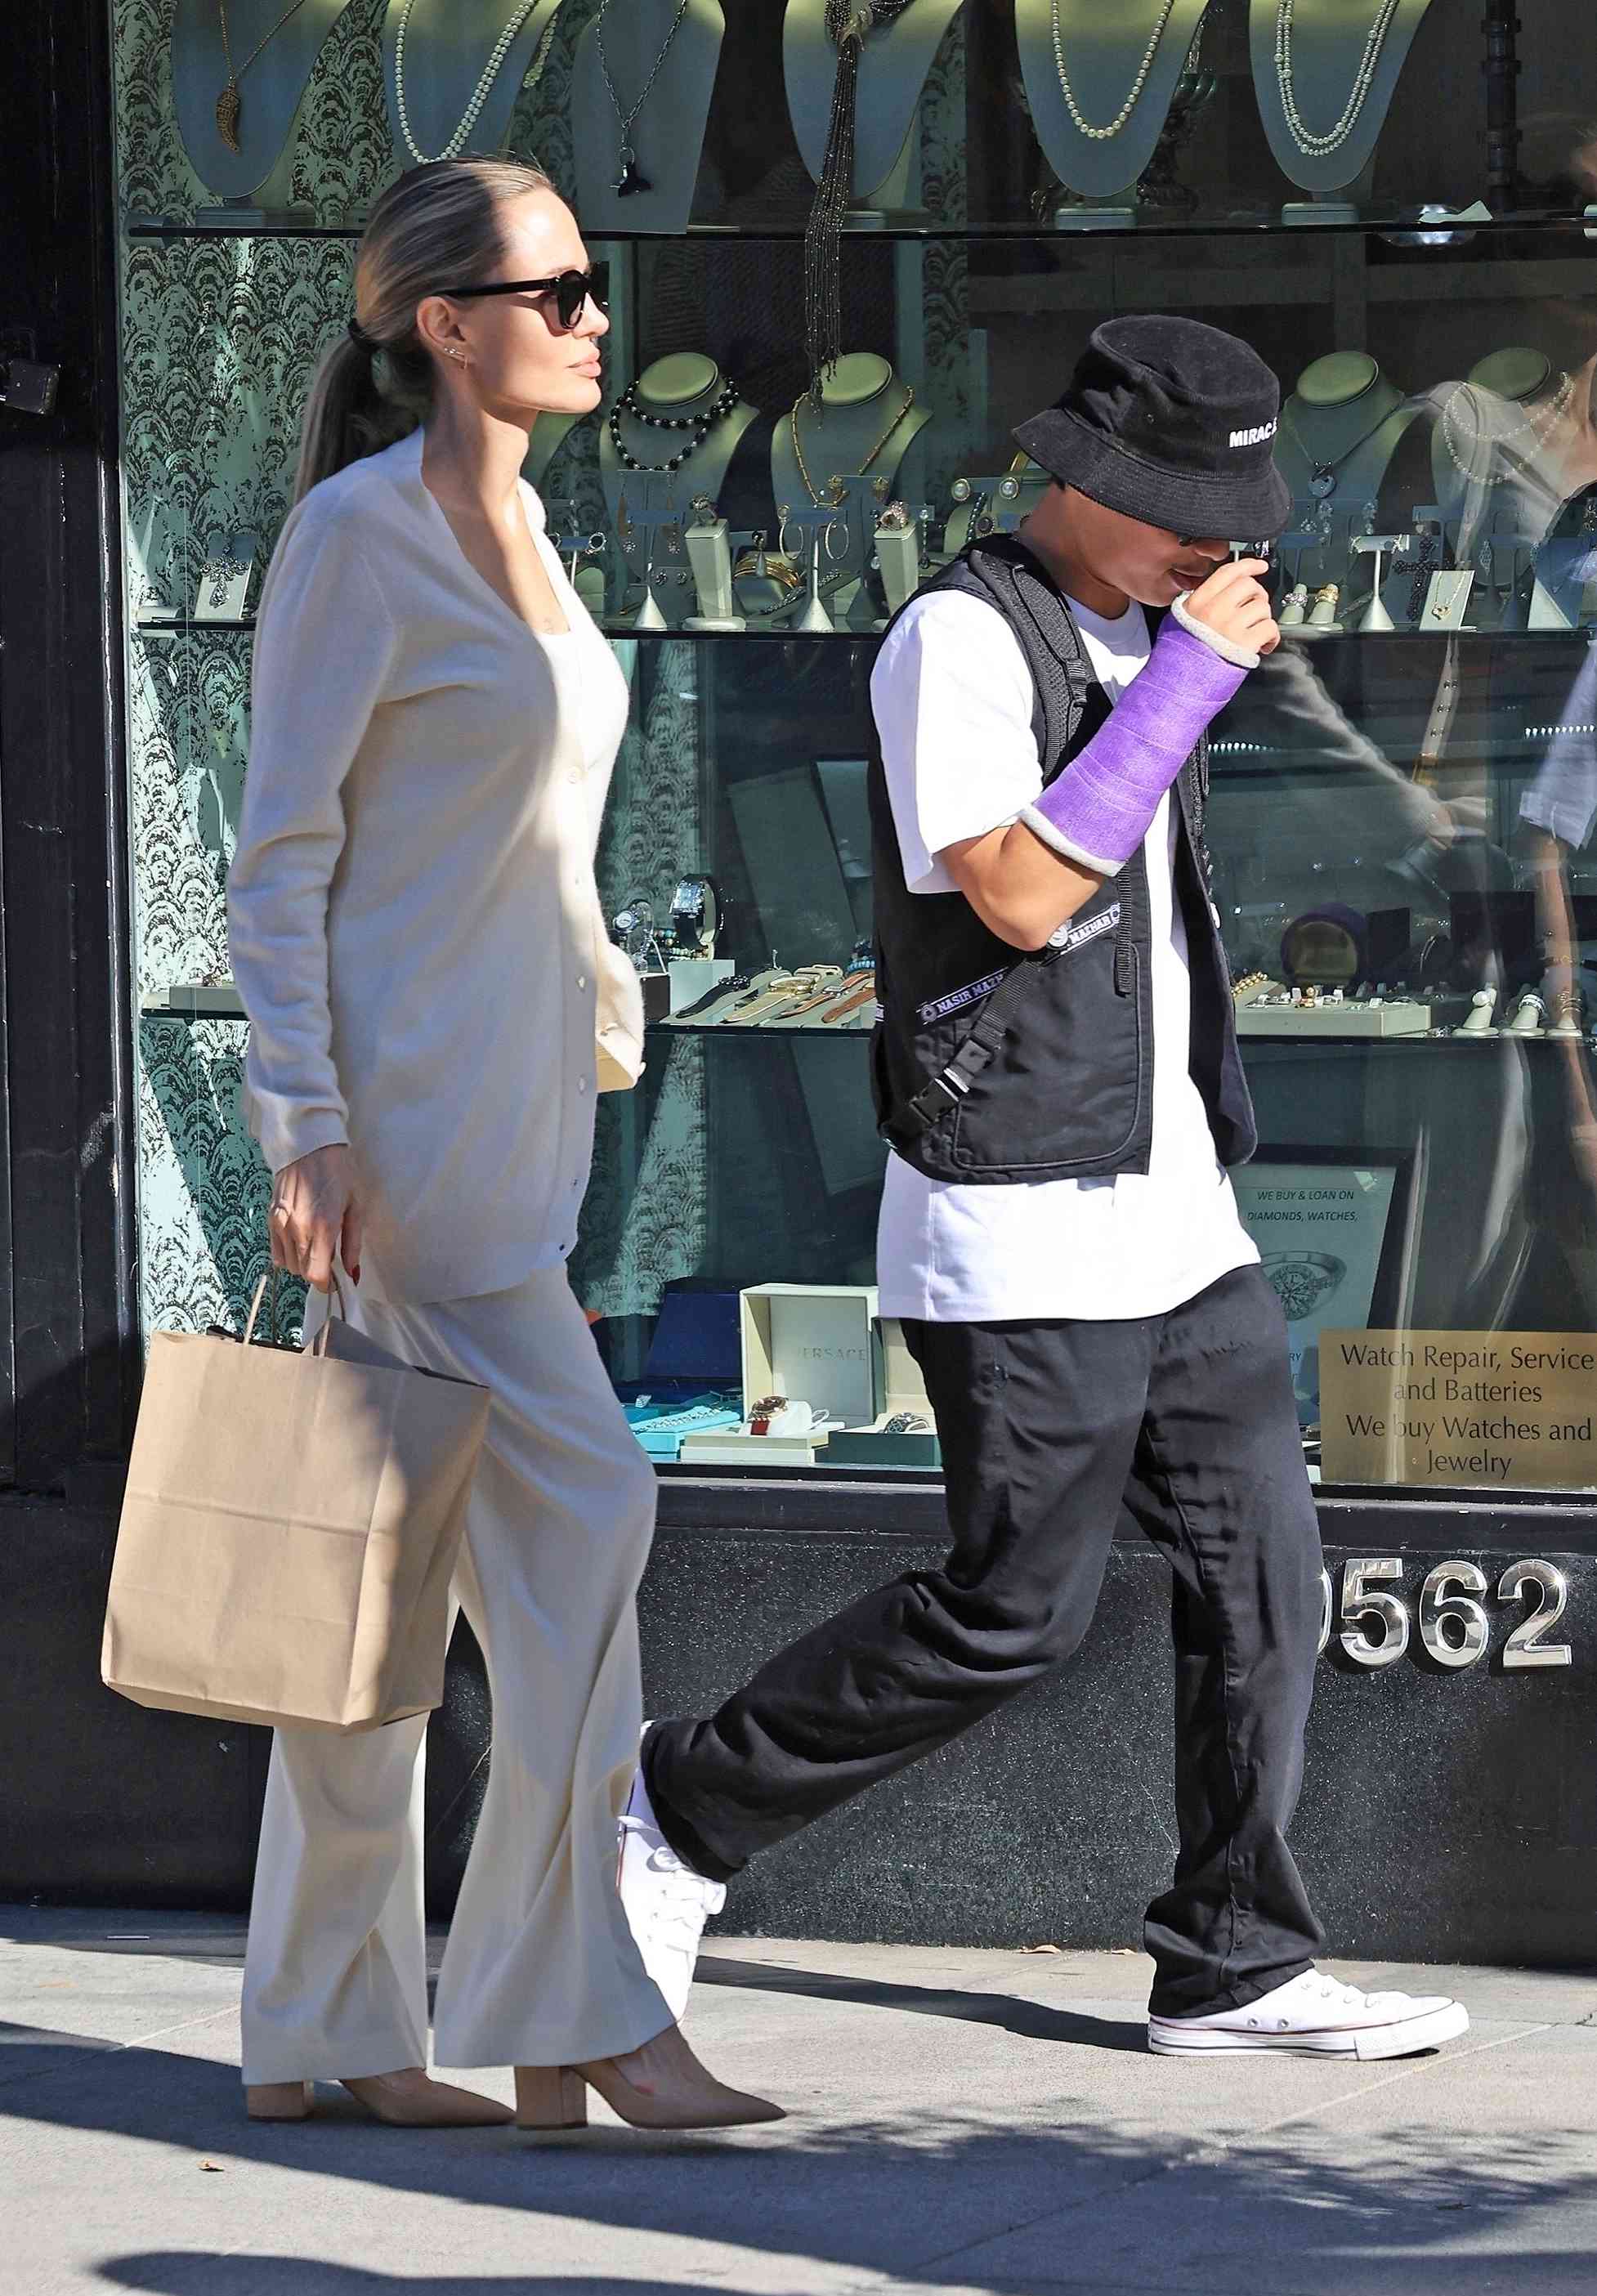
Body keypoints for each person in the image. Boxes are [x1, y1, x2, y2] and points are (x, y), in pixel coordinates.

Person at [621, 318, 1470, 2061]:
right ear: (1076, 477)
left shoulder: (1145, 622)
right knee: (1010, 1610)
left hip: (1172, 1214)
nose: (1213, 549)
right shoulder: (956, 635)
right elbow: (1009, 892)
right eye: (1179, 512)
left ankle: (1232, 1956)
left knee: (1264, 1580)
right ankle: (679, 1807)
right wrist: (1181, 686)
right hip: (1013, 1211)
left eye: (1227, 518)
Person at [227, 157, 781, 2133]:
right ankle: (576, 2010)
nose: (594, 318)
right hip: (405, 1148)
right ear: (446, 321)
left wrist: (600, 987)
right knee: (588, 1523)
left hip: (519, 1118)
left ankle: (331, 2024)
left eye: (592, 285)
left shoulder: (535, 532)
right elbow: (277, 859)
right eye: (558, 290)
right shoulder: (357, 542)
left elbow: (523, 830)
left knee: (380, 1604)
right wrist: (301, 1123)